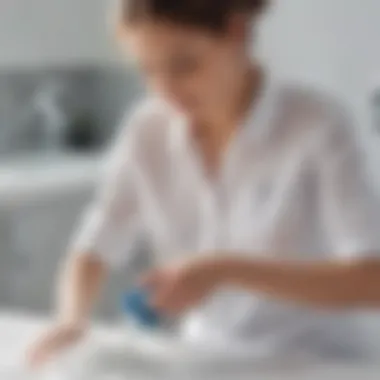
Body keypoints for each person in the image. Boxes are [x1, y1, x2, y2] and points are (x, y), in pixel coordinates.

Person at [29, 0, 380, 367]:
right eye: (148, 71)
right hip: (206, 356)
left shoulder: (317, 125)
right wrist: (71, 318)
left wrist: (222, 271)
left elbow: (372, 281)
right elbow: (95, 244)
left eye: (184, 65)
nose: (165, 90)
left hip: (318, 361)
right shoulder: (146, 129)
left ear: (237, 32)